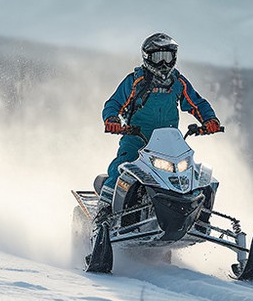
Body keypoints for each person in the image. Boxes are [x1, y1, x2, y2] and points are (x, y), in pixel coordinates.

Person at [94, 32, 222, 229]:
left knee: (193, 173)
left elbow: (197, 103)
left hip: (169, 142)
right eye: (158, 58)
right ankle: (103, 215)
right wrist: (112, 119)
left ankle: (197, 217)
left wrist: (209, 119)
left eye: (167, 57)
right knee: (121, 166)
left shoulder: (178, 82)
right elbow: (114, 102)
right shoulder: (135, 81)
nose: (163, 64)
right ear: (147, 57)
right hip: (137, 138)